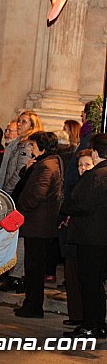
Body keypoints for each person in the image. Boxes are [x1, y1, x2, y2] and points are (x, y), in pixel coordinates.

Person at [12, 131, 62, 319]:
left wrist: (20, 208)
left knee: (34, 269)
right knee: (33, 268)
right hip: (37, 225)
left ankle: (33, 307)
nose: (30, 149)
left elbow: (36, 195)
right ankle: (31, 305)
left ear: (41, 147)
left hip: (38, 226)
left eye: (32, 145)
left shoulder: (46, 167)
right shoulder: (44, 164)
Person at [61, 133, 107, 338]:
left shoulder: (96, 175)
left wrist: (66, 206)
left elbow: (83, 205)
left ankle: (89, 325)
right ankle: (99, 324)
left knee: (89, 282)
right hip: (101, 237)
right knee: (97, 283)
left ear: (96, 152)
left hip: (90, 236)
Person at [0, 110, 43, 293]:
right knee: (11, 235)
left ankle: (17, 275)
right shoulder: (18, 142)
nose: (20, 124)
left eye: (24, 122)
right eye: (19, 121)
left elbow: (19, 171)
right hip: (10, 192)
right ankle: (10, 271)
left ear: (32, 126)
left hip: (16, 194)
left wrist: (8, 190)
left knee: (18, 238)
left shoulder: (27, 145)